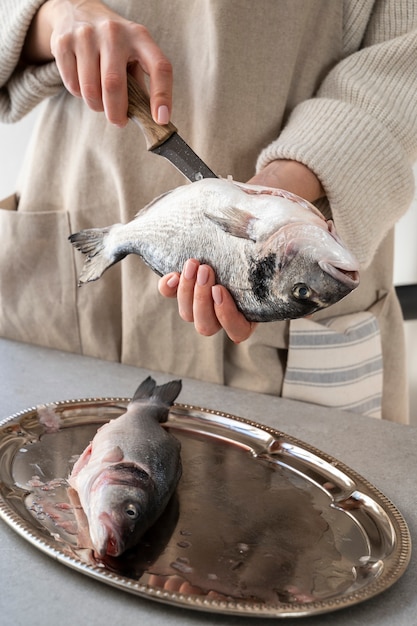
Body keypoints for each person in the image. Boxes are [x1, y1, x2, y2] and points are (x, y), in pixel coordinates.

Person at [1, 0, 416, 423]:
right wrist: (51, 18)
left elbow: (405, 62)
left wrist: (291, 177)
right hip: (76, 216)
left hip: (323, 205)